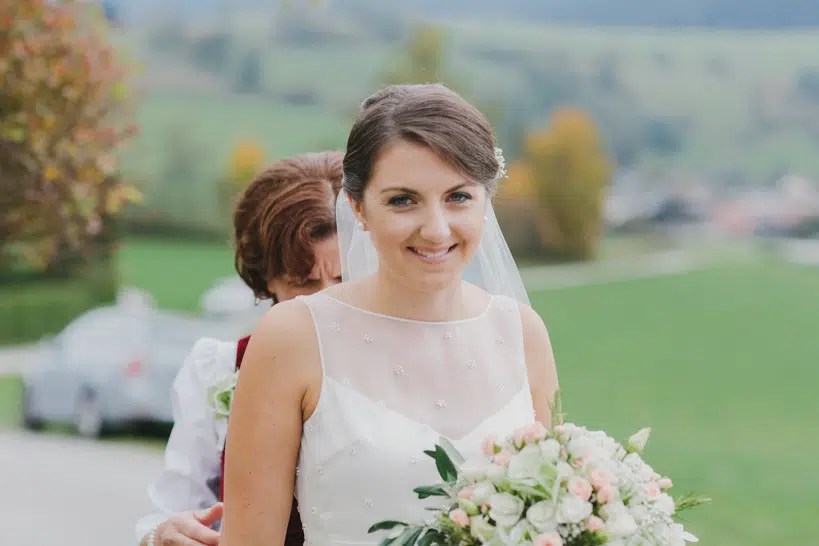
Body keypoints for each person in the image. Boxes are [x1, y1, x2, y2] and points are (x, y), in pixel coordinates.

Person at [219, 83, 560, 546]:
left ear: (486, 199)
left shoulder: (523, 334)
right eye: (403, 200)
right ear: (358, 208)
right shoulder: (292, 337)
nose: (436, 229)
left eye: (458, 197)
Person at [135, 151, 344, 546]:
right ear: (269, 280)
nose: (325, 300)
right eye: (303, 280)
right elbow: (172, 505)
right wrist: (161, 534)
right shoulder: (218, 367)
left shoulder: (408, 361)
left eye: (342, 278)